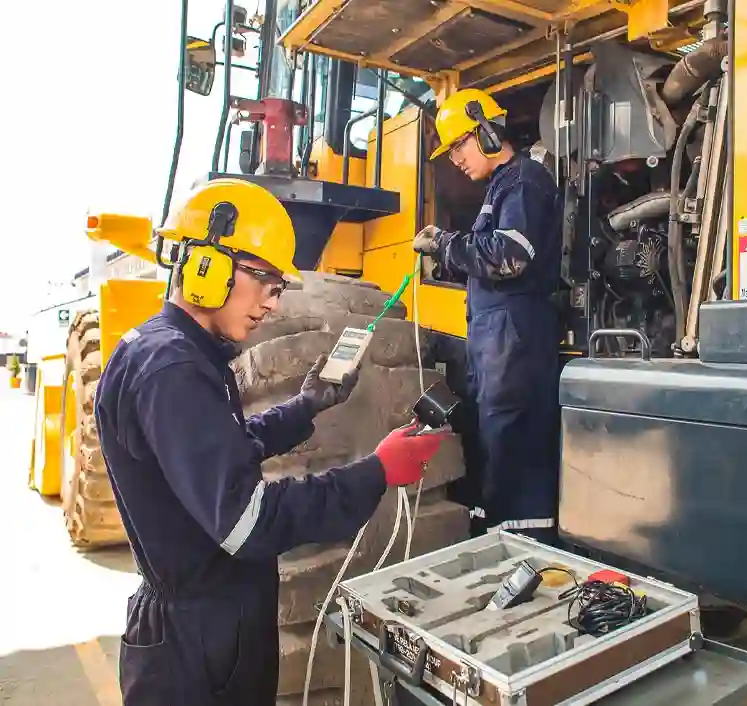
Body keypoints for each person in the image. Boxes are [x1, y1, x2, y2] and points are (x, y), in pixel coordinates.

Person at [94, 177, 447, 706]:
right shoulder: (174, 370)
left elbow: (214, 453)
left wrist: (304, 408)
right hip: (198, 651)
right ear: (205, 266)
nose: (273, 305)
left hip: (206, 624)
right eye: (265, 281)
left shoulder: (167, 353)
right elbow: (248, 522)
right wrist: (377, 471)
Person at [413, 88, 562, 544]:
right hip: (497, 346)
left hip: (515, 347)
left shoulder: (523, 181)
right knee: (492, 446)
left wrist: (444, 244)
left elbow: (511, 256)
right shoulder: (500, 188)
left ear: (488, 131)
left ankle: (523, 553)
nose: (455, 158)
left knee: (512, 449)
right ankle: (491, 540)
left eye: (459, 144)